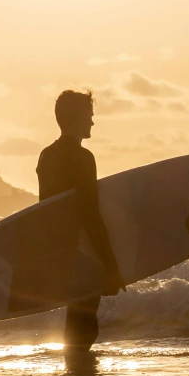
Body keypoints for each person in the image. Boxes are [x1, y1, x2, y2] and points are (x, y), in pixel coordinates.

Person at [36, 89, 125, 352]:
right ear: (77, 118)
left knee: (76, 323)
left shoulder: (46, 155)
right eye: (89, 115)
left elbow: (46, 211)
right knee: (84, 326)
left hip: (60, 253)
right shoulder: (83, 158)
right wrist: (110, 267)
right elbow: (90, 215)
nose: (92, 122)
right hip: (83, 254)